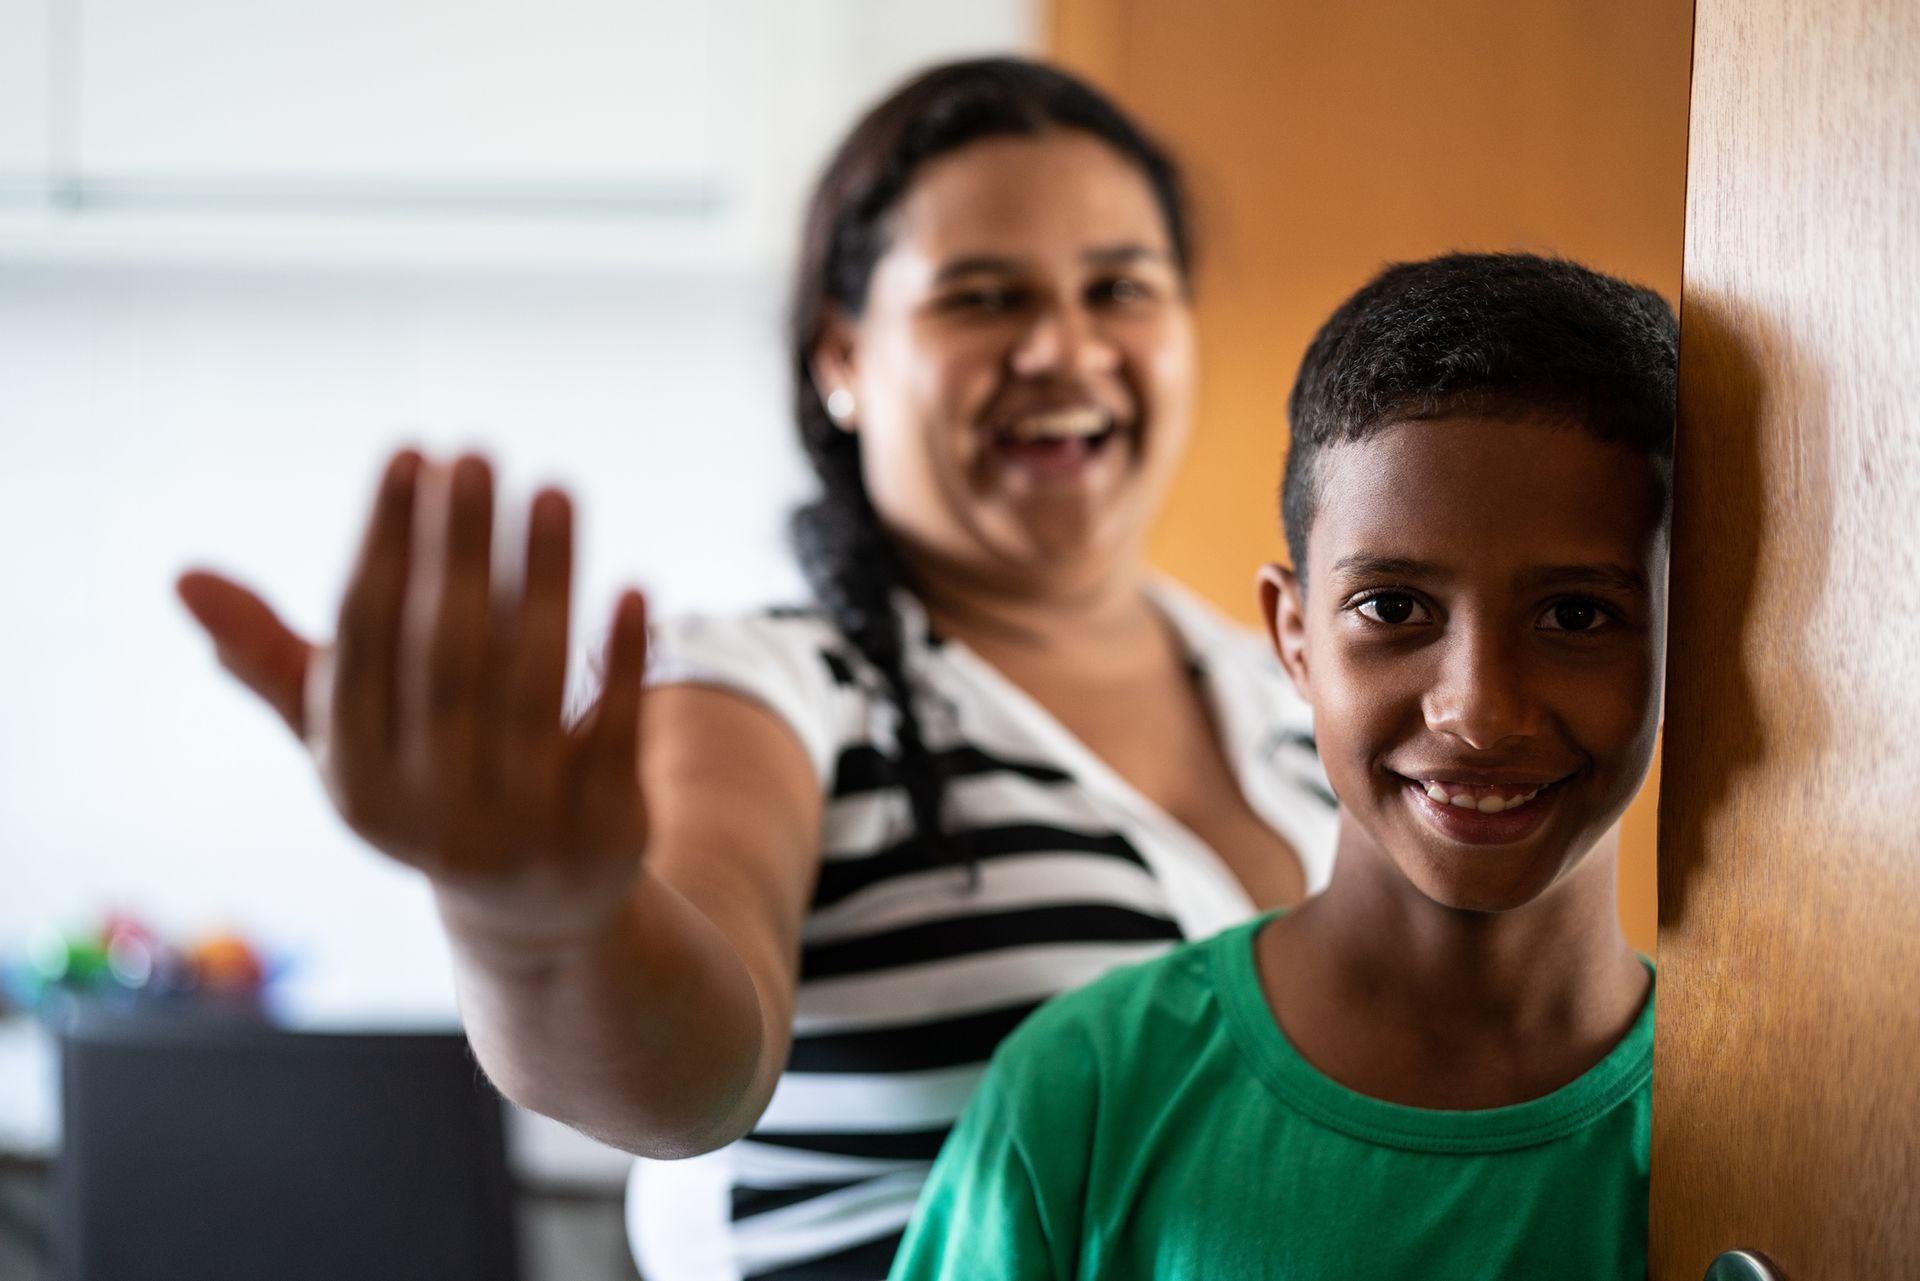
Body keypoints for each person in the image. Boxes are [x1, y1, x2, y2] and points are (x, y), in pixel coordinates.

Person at [174, 59, 1338, 1279]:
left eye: (1121, 288)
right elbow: (682, 1082)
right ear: (843, 357)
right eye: (982, 297)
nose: (1062, 346)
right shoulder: (762, 688)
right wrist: (542, 921)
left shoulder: (1296, 690)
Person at [889, 251, 1677, 1280]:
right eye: (1392, 607)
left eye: (1576, 615)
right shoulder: (1088, 1092)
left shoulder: (1765, 1130)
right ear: (1294, 638)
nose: (1479, 712)